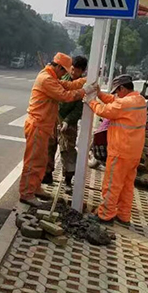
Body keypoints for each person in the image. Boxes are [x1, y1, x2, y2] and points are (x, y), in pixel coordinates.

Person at [19, 52, 97, 207]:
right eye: (64, 71)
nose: (65, 75)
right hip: (37, 126)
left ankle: (35, 187)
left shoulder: (52, 76)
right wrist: (85, 91)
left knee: (41, 161)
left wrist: (86, 81)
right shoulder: (46, 79)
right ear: (59, 67)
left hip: (44, 126)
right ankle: (26, 193)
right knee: (33, 162)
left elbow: (68, 85)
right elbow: (65, 95)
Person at [85, 74, 147, 225]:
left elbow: (105, 111)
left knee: (111, 185)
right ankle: (123, 216)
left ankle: (105, 215)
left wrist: (91, 101)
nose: (116, 95)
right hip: (133, 153)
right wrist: (99, 94)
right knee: (126, 186)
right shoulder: (139, 100)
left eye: (117, 91)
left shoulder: (124, 104)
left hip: (120, 151)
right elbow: (114, 101)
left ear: (123, 88)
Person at [44, 56, 88, 191]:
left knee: (67, 150)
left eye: (77, 71)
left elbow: (79, 108)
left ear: (83, 71)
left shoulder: (84, 85)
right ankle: (47, 175)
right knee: (49, 147)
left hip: (70, 122)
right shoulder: (61, 79)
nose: (74, 73)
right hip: (54, 118)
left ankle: (68, 180)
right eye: (73, 69)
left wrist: (67, 121)